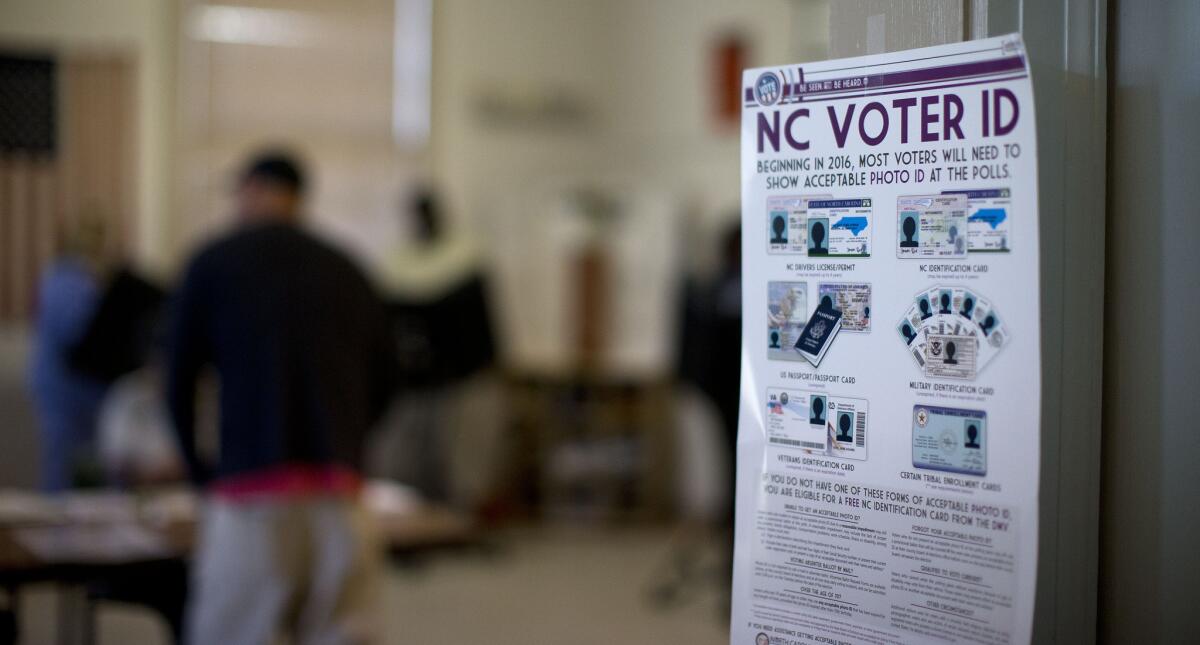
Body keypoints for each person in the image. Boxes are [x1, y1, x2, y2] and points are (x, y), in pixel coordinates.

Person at [166, 151, 398, 645]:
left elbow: (178, 376)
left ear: (251, 189)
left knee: (238, 633)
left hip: (251, 489)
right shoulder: (347, 268)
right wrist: (351, 446)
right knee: (342, 632)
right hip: (339, 489)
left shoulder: (214, 261)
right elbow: (388, 376)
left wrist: (198, 469)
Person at [27, 217, 110, 491]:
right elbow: (76, 333)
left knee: (80, 463)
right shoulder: (69, 281)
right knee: (62, 464)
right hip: (66, 388)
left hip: (72, 388)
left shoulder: (66, 279)